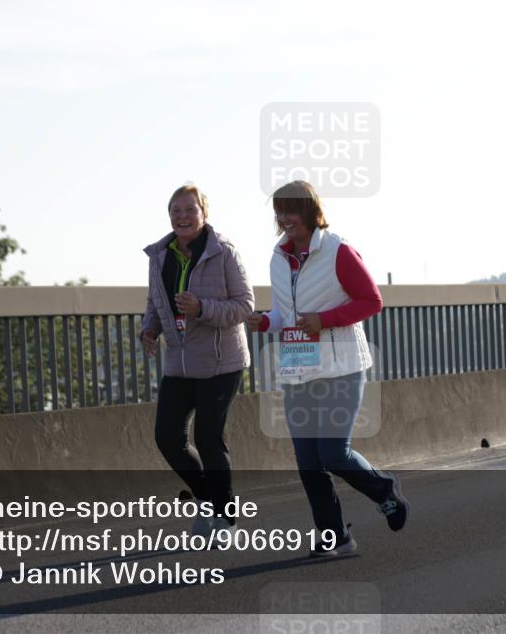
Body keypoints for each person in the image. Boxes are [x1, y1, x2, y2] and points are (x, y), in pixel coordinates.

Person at [246, 180, 409, 557]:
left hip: (341, 367)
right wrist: (266, 321)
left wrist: (325, 320)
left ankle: (384, 490)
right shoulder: (278, 258)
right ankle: (335, 535)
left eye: (291, 210)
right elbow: (286, 314)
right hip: (297, 367)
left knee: (333, 453)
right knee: (308, 461)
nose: (284, 218)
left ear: (309, 211)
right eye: (279, 212)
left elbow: (371, 301)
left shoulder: (337, 250)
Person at [141, 183, 254, 535]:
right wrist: (149, 329)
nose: (182, 216)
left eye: (190, 209)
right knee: (167, 437)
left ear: (204, 214)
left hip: (222, 361)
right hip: (180, 361)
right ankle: (208, 498)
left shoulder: (224, 253)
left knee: (208, 438)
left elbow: (244, 306)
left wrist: (202, 308)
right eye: (176, 210)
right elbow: (155, 301)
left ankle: (226, 518)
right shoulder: (160, 255)